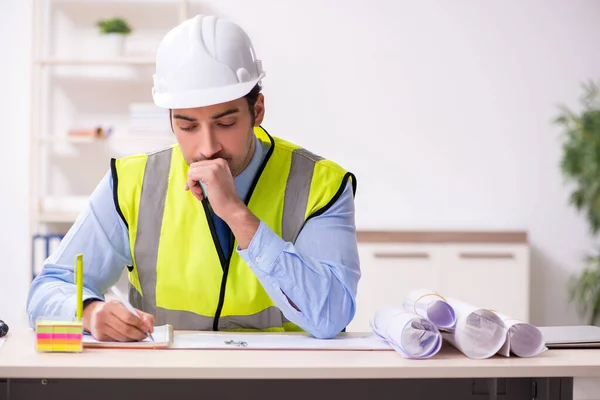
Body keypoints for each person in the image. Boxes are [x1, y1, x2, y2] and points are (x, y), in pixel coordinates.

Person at [26, 15, 360, 341]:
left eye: (226, 123)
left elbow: (330, 316)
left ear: (257, 110)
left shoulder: (320, 185)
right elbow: (48, 288)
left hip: (285, 383)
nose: (207, 146)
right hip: (166, 381)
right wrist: (87, 311)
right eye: (187, 126)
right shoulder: (131, 183)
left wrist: (237, 214)